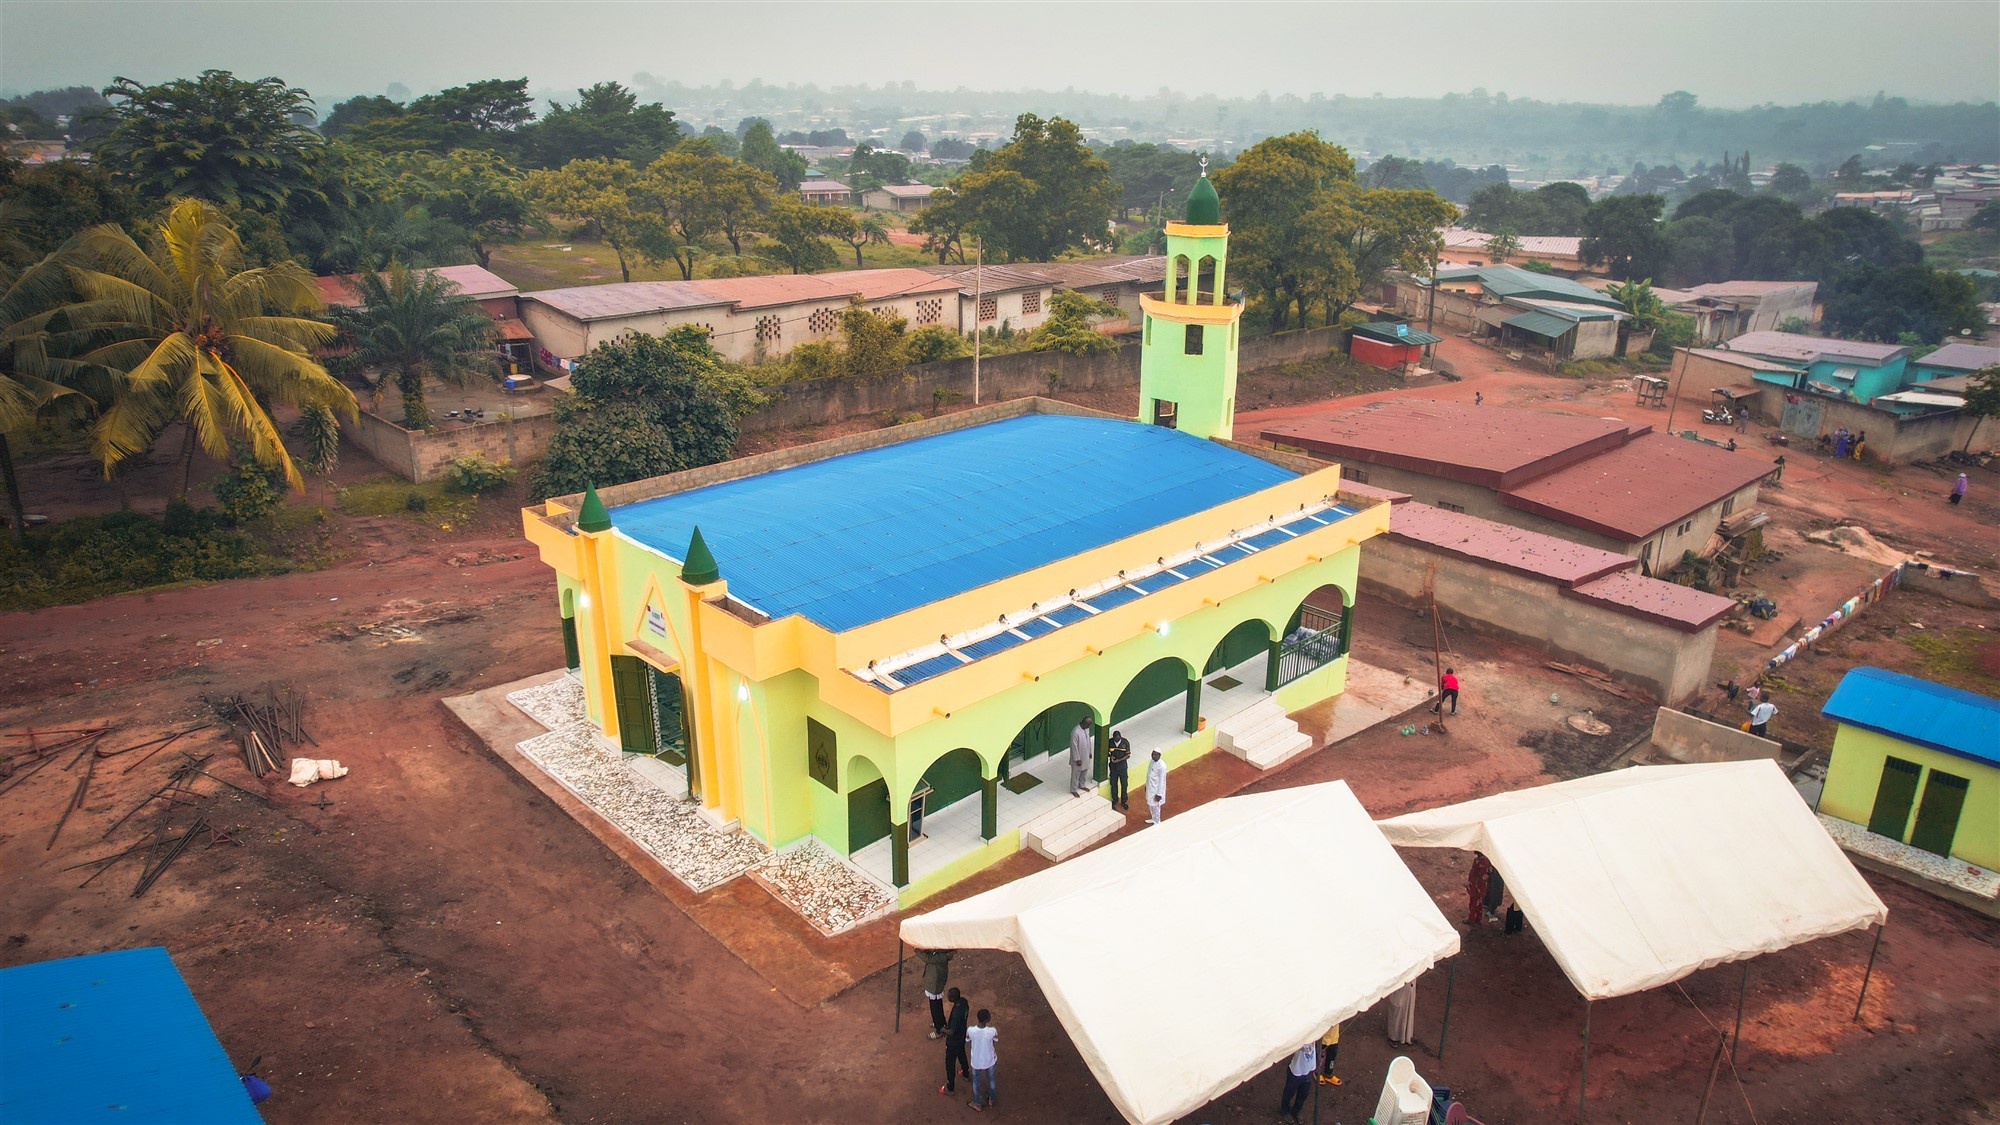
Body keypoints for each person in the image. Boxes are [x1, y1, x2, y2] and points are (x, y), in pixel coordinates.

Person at [939, 987, 970, 1095]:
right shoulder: (964, 1002)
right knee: (962, 1054)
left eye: (949, 995)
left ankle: (950, 1087)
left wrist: (942, 1030)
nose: (947, 996)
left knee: (950, 1063)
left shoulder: (956, 1014)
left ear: (952, 998)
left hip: (953, 1041)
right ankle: (966, 1073)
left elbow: (951, 1032)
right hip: (961, 1036)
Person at [967, 1008, 998, 1111]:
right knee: (991, 1079)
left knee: (976, 1081)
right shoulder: (992, 1031)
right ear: (987, 1019)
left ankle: (978, 1104)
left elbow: (967, 1039)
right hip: (990, 1060)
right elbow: (995, 1040)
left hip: (976, 1061)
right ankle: (991, 1100)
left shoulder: (970, 1030)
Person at [919, 948, 954, 1039]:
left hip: (935, 983)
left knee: (935, 1007)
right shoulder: (941, 953)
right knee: (937, 1005)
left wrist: (916, 950)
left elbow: (928, 958)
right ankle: (940, 1023)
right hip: (934, 982)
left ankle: (939, 1030)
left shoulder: (942, 956)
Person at [1279, 1040, 1316, 1122]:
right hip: (1296, 1072)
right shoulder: (1299, 1038)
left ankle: (1296, 1110)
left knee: (1303, 1094)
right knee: (1289, 1093)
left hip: (1308, 1070)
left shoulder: (1314, 1034)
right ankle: (1285, 1111)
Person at [1385, 980, 1418, 1045]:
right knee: (1397, 1011)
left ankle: (1406, 1036)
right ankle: (1393, 1038)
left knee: (1408, 1010)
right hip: (1399, 986)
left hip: (1409, 986)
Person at [1068, 716, 1094, 797]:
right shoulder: (1076, 731)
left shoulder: (1086, 729)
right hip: (1078, 758)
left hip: (1086, 755)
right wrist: (1077, 759)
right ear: (1084, 723)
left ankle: (1082, 785)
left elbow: (1088, 741)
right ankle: (1073, 789)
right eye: (1088, 725)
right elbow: (1074, 746)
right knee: (1075, 774)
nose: (1089, 727)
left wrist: (1090, 751)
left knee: (1085, 771)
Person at [1106, 729, 1132, 810]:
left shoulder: (1125, 742)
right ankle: (1115, 800)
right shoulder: (1110, 742)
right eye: (1115, 739)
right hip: (1113, 767)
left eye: (1118, 738)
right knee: (1113, 784)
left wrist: (1119, 760)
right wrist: (1111, 757)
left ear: (1120, 737)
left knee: (1124, 784)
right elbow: (1106, 751)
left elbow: (1128, 755)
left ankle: (1124, 801)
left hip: (1122, 767)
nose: (1117, 740)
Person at [1466, 852, 1493, 927]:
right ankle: (1477, 919)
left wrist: (1474, 885)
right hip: (1479, 887)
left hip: (1477, 887)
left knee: (1474, 903)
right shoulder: (1484, 860)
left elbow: (1482, 877)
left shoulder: (1482, 862)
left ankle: (1471, 919)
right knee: (1478, 903)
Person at [1144, 750, 1167, 826]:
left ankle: (1157, 822)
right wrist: (1146, 785)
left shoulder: (1162, 766)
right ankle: (1153, 819)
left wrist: (1159, 794)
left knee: (1156, 807)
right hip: (1150, 788)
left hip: (1156, 790)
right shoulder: (1152, 762)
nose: (1153, 756)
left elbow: (1161, 781)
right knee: (1150, 805)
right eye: (1153, 754)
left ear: (1159, 755)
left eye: (1155, 755)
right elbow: (1149, 775)